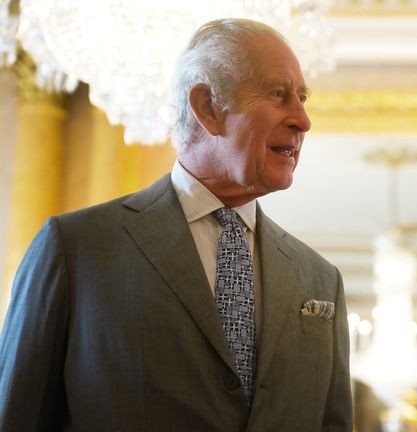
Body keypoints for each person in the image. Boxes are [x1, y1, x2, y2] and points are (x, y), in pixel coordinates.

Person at [0, 18, 352, 431]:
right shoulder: (77, 249)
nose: (302, 119)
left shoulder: (320, 280)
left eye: (302, 98)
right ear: (208, 107)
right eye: (279, 94)